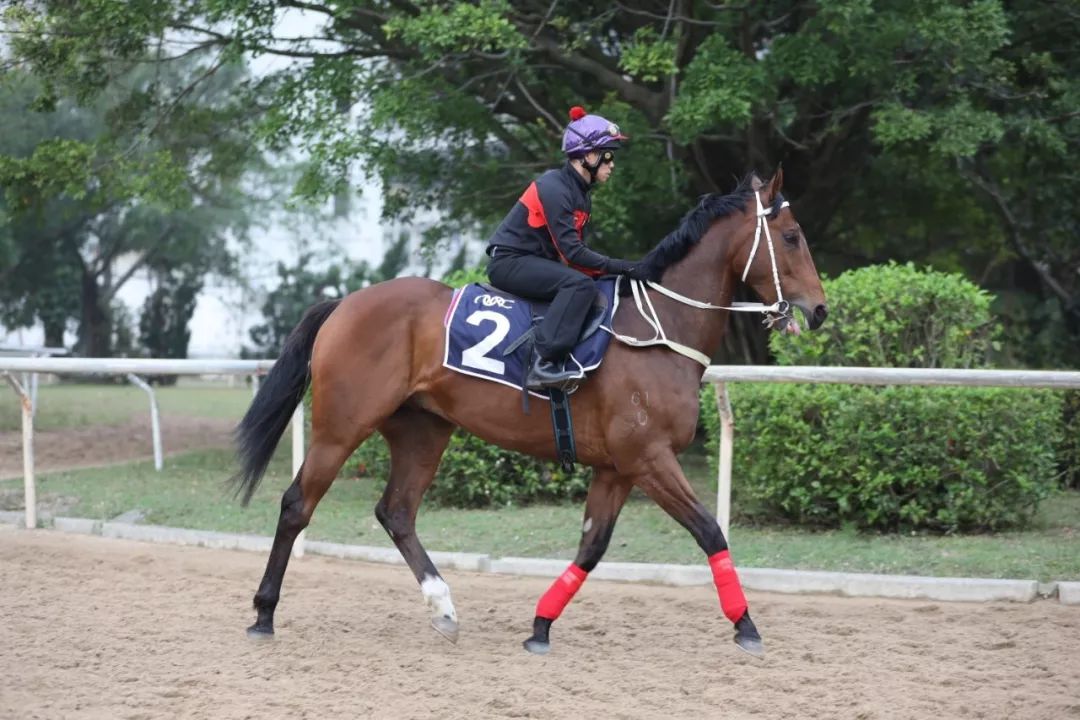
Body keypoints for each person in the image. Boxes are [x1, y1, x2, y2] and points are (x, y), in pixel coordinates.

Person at [486, 105, 649, 390]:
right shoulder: (554, 188)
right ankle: (541, 363)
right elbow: (573, 253)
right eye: (608, 156)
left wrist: (615, 273)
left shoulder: (581, 195)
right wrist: (622, 265)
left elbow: (575, 259)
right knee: (580, 286)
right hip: (509, 263)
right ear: (588, 156)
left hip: (531, 261)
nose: (612, 165)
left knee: (591, 281)